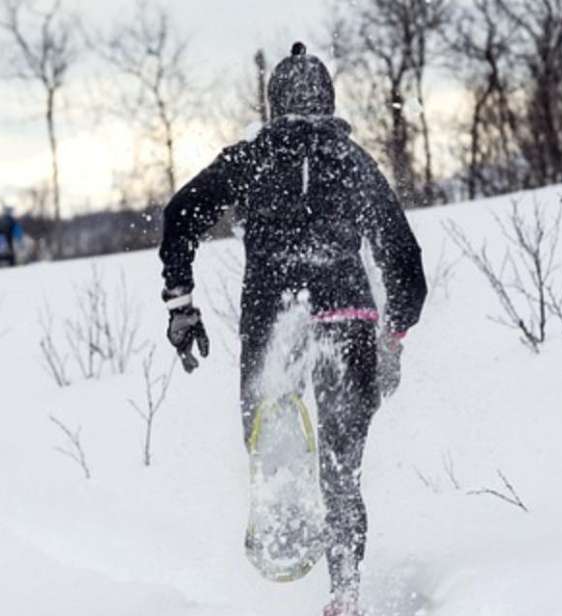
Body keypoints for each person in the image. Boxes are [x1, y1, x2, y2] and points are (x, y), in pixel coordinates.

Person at [157, 43, 427, 615]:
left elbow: (181, 214)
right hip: (351, 321)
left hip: (276, 325)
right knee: (342, 471)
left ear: (274, 104)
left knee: (272, 439)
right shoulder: (354, 162)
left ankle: (285, 502)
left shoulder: (250, 159)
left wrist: (181, 303)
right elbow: (402, 259)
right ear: (327, 100)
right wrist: (394, 337)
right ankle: (345, 594)